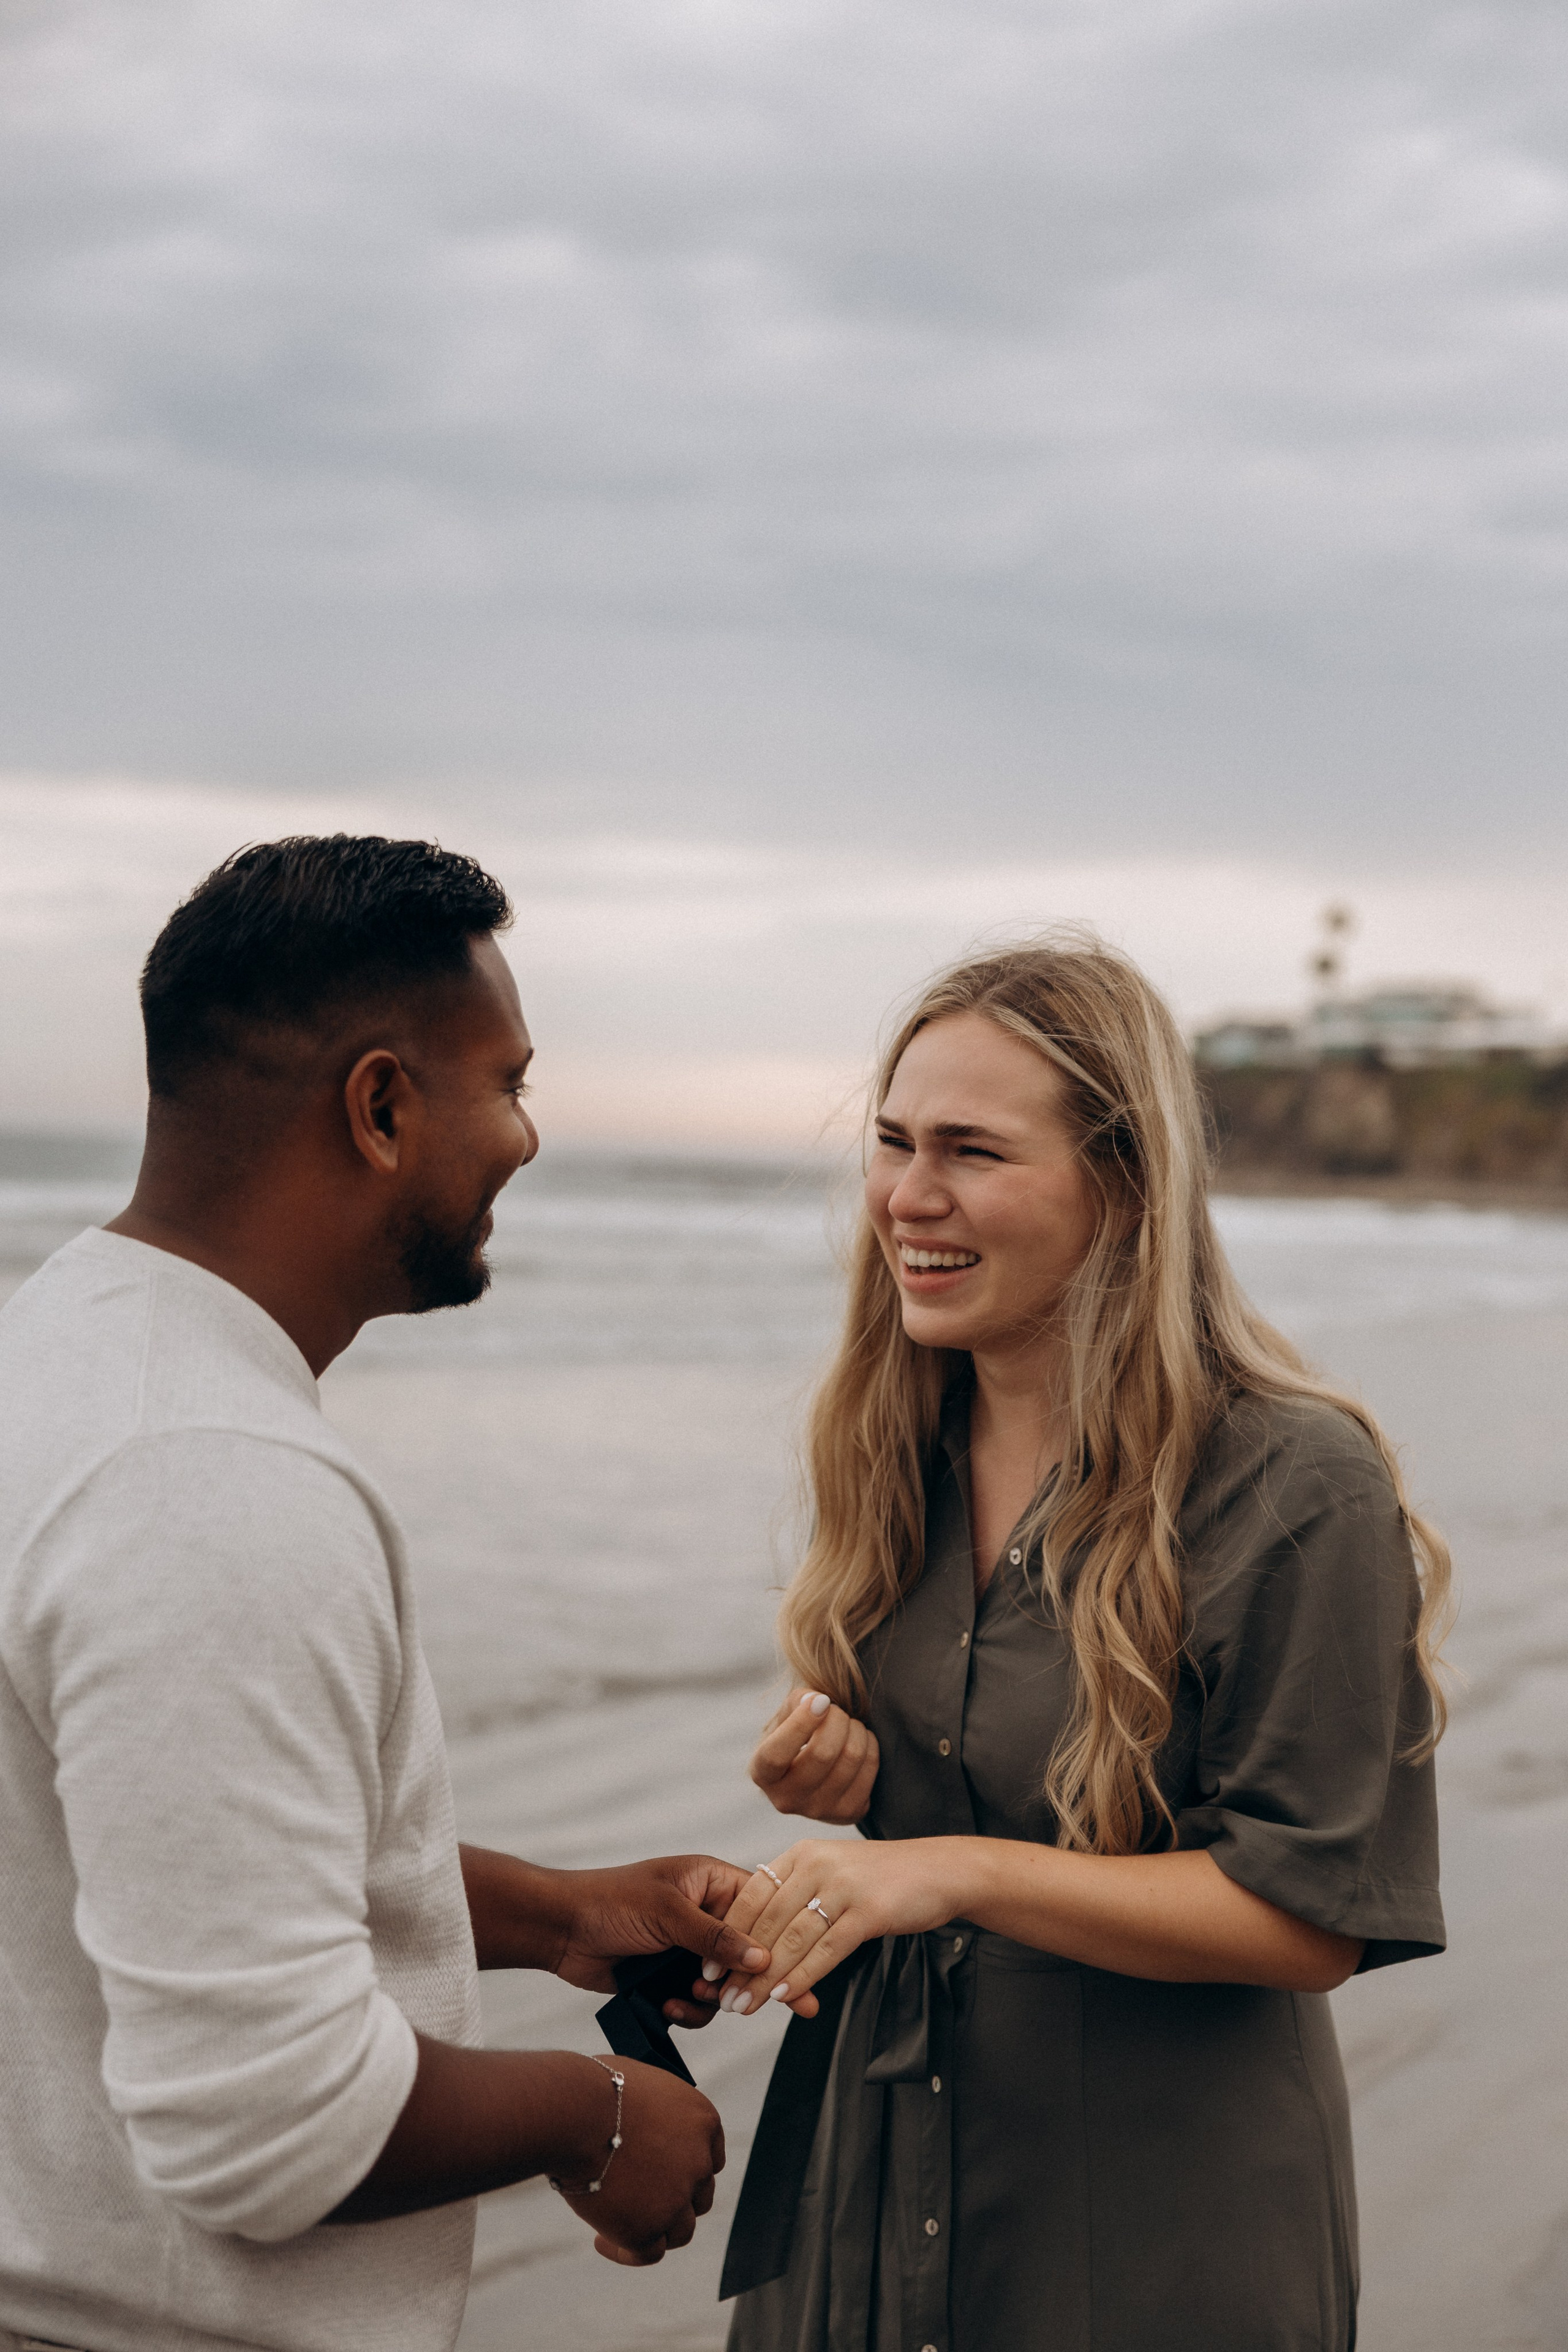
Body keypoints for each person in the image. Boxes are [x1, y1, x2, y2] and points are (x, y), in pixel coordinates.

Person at [0, 835, 770, 2352]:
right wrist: (597, 2113)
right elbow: (263, 2125)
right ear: (380, 1106)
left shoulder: (63, 1352)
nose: (531, 1140)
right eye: (511, 1084)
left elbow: (146, 1843)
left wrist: (556, 1916)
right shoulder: (210, 1480)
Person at [706, 940, 1450, 2352]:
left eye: (972, 1153)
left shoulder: (1290, 1480)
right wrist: (847, 1781)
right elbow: (961, 1784)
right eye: (892, 1143)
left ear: (1122, 1187)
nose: (907, 1199)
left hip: (1156, 2219)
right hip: (872, 2173)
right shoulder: (888, 1446)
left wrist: (953, 1869)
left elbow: (1308, 1918)